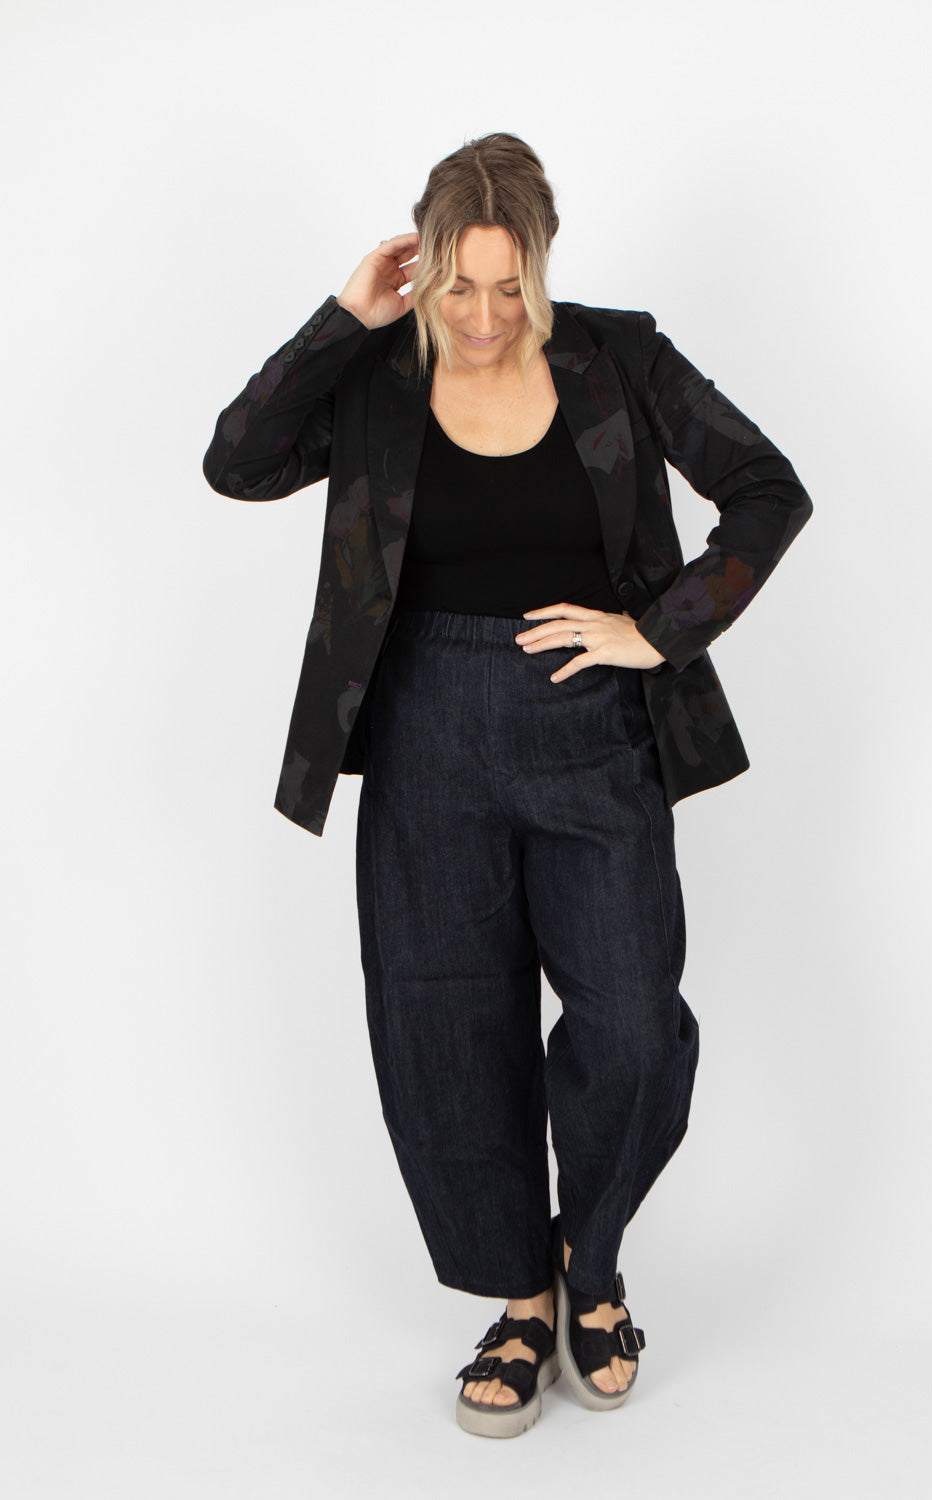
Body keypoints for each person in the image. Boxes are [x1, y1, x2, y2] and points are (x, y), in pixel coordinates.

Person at [202, 132, 813, 1439]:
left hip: (592, 728)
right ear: (419, 265)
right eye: (457, 286)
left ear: (543, 262)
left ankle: (591, 1258)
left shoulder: (617, 359)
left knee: (633, 1021)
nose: (483, 318)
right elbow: (236, 462)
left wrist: (658, 629)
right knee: (444, 1025)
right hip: (421, 729)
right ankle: (522, 1302)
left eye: (508, 286)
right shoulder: (377, 373)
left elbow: (769, 490)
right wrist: (342, 319)